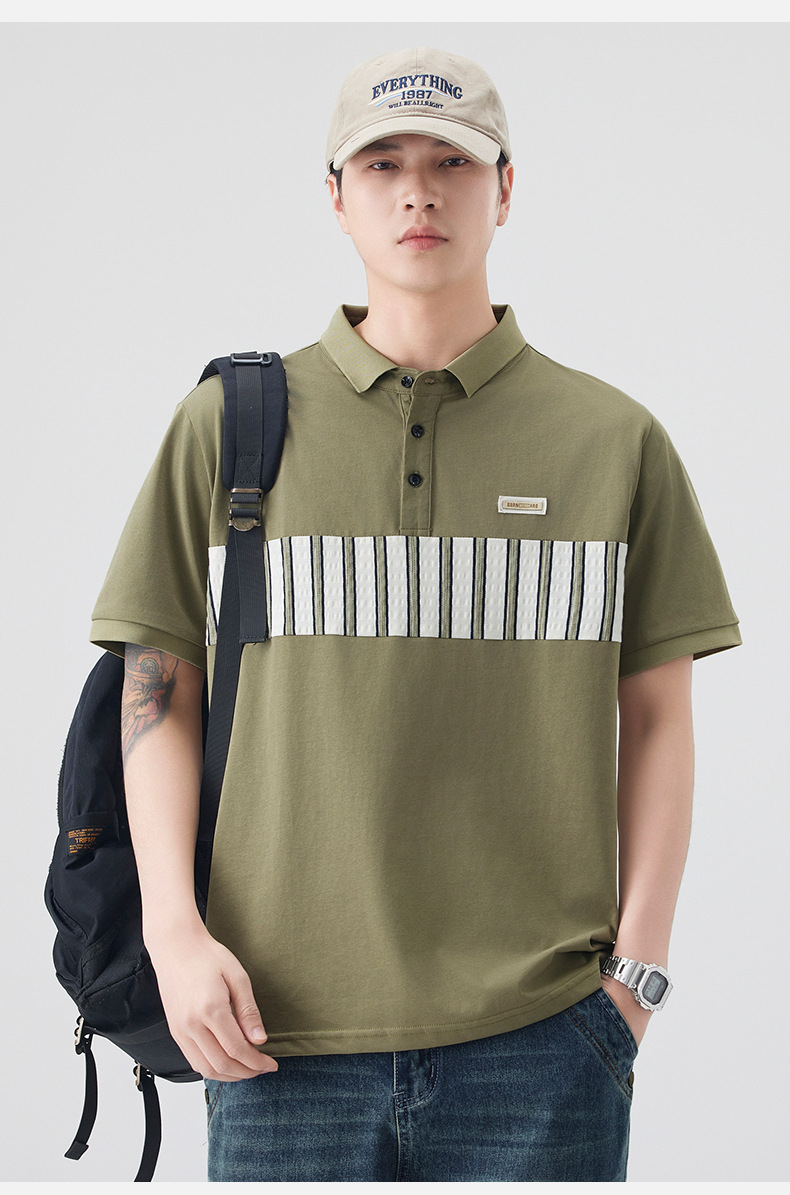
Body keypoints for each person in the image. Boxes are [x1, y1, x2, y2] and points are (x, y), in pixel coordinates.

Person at [91, 46, 742, 1182]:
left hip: (542, 1038)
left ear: (505, 189)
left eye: (452, 161)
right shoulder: (228, 428)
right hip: (272, 1037)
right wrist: (173, 934)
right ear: (335, 197)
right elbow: (157, 692)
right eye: (382, 163)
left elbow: (656, 723)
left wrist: (633, 980)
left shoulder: (614, 442)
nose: (417, 192)